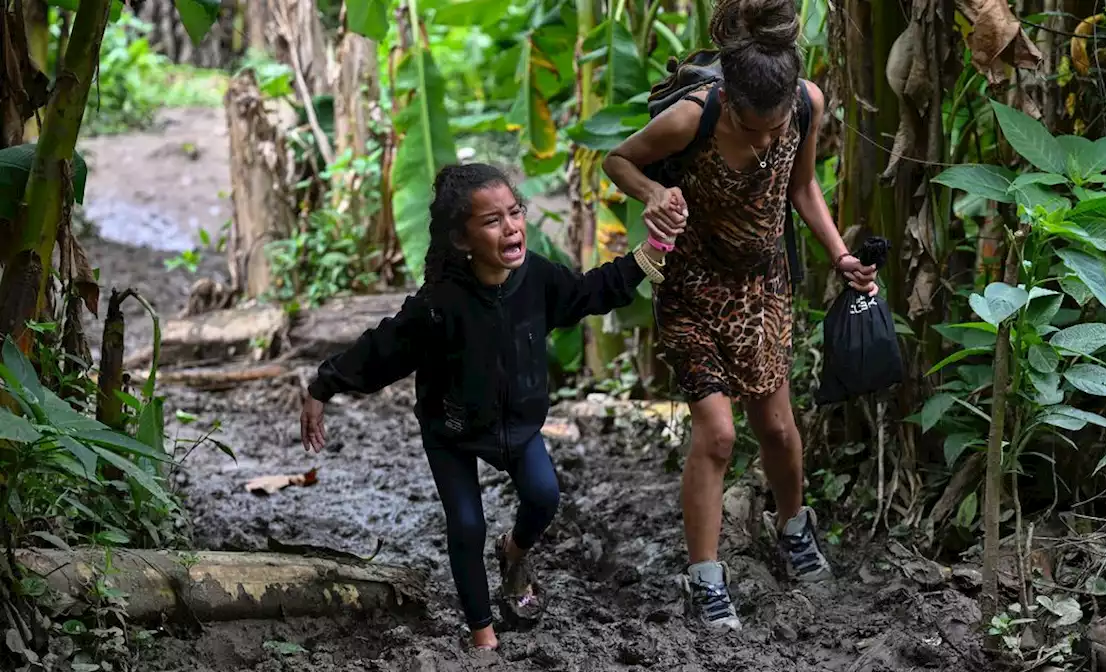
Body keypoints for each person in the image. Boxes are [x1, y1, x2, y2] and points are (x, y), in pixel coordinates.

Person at [298, 163, 672, 650]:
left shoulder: (536, 278)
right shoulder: (440, 304)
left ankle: (513, 553)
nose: (512, 226)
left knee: (544, 496)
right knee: (467, 525)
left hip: (518, 426)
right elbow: (382, 348)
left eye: (515, 213)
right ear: (461, 239)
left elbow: (588, 292)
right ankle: (483, 637)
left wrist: (649, 254)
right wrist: (323, 386)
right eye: (492, 221)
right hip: (450, 430)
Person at [602, 0, 879, 632]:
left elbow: (803, 186)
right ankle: (705, 579)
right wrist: (655, 193)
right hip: (692, 287)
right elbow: (618, 161)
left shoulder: (805, 103)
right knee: (720, 434)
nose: (763, 139)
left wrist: (840, 256)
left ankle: (794, 529)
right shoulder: (690, 118)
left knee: (779, 430)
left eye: (772, 126)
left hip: (762, 289)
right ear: (729, 99)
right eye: (751, 126)